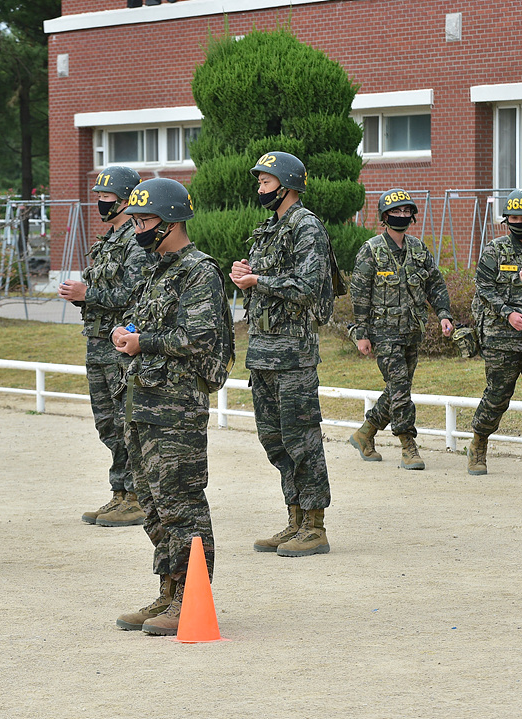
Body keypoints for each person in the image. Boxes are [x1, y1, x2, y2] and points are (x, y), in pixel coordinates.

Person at [111, 178, 228, 635]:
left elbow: (197, 339)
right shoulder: (154, 270)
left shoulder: (200, 272)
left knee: (182, 503)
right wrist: (127, 335)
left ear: (171, 220)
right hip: (142, 402)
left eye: (144, 220)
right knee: (153, 504)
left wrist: (143, 342)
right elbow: (147, 325)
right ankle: (169, 589)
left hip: (176, 408)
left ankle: (192, 596)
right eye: (134, 220)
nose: (137, 228)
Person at [230, 151, 332, 557]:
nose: (259, 188)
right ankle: (294, 520)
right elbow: (269, 283)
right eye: (259, 182)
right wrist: (247, 277)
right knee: (274, 440)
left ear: (287, 185)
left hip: (293, 355)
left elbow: (308, 286)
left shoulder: (306, 226)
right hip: (263, 353)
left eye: (265, 182)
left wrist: (259, 279)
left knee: (302, 439)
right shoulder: (270, 228)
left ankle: (315, 525)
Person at [59, 165, 153, 527]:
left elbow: (133, 294)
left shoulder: (135, 239)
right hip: (97, 344)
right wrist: (83, 298)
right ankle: (120, 492)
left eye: (106, 196)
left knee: (125, 420)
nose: (100, 202)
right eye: (98, 196)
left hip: (120, 345)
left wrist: (88, 294)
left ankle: (135, 495)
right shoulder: (109, 240)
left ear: (127, 199)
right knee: (107, 425)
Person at [348, 189, 453, 469]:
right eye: (396, 212)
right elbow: (359, 295)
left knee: (398, 389)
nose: (402, 216)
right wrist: (362, 334)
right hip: (383, 334)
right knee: (400, 389)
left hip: (411, 332)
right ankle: (408, 444)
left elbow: (435, 284)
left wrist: (444, 314)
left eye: (407, 212)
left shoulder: (418, 249)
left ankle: (365, 433)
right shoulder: (371, 250)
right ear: (385, 216)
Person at [467, 189, 522, 478]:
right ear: (506, 219)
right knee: (498, 396)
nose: (519, 222)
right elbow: (484, 288)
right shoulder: (494, 250)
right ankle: (478, 444)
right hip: (500, 340)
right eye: (514, 217)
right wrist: (507, 313)